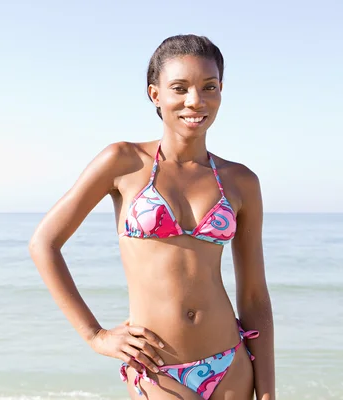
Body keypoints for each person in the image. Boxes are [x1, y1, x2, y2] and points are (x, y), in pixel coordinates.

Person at [28, 34, 275, 399]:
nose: (196, 100)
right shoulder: (123, 162)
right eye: (180, 87)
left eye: (210, 87)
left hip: (231, 364)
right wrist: (95, 335)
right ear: (155, 95)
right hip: (158, 370)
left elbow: (254, 297)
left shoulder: (240, 181)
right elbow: (44, 244)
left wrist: (268, 392)